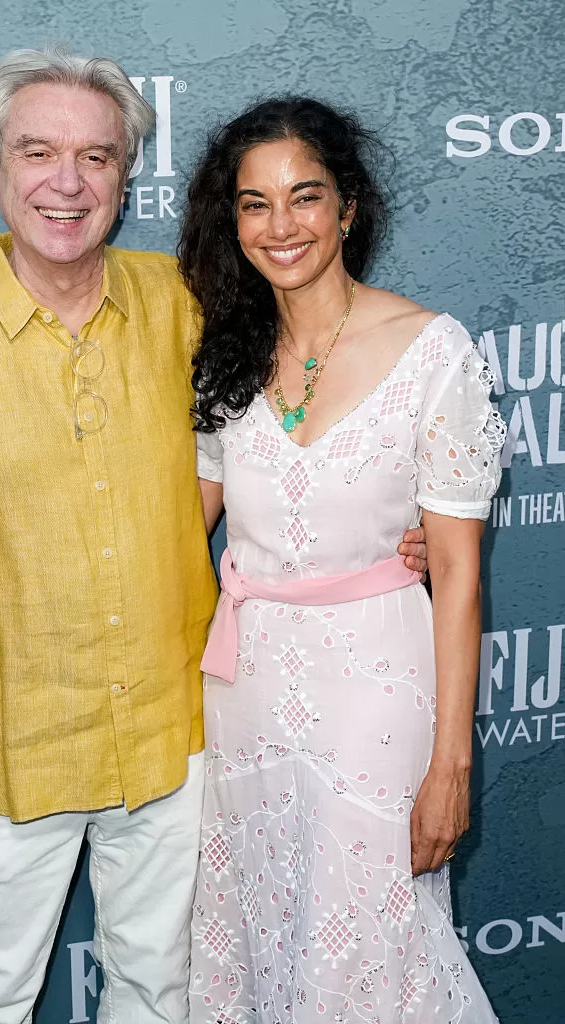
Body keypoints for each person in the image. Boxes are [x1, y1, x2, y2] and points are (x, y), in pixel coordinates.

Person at [0, 48, 427, 1024]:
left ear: (124, 177)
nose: (67, 182)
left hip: (174, 741)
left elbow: (299, 398)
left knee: (159, 995)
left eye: (97, 156)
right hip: (12, 750)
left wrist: (381, 522)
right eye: (38, 152)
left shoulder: (184, 303)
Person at [179, 98, 505, 1022]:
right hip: (243, 695)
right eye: (254, 204)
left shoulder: (430, 351)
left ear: (347, 208)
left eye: (304, 196)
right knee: (253, 936)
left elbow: (459, 577)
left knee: (368, 942)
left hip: (375, 695)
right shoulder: (224, 355)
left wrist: (450, 765)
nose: (280, 226)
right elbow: (173, 526)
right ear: (230, 221)